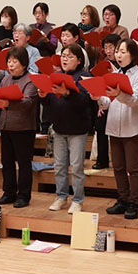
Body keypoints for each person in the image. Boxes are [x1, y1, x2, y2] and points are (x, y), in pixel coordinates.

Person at [100, 39, 138, 218]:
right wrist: (98, 97)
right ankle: (122, 199)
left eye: (123, 51)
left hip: (133, 128)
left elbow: (136, 100)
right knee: (118, 167)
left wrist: (119, 94)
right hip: (114, 126)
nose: (118, 55)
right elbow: (108, 102)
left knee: (133, 168)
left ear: (133, 54)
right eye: (117, 51)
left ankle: (134, 203)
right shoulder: (113, 74)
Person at [41, 45, 94, 213]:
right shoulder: (56, 76)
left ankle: (78, 199)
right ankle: (61, 196)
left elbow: (86, 101)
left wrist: (67, 93)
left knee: (77, 167)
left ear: (79, 60)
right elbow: (50, 102)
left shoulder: (85, 76)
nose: (65, 59)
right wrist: (43, 96)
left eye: (70, 56)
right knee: (59, 166)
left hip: (78, 129)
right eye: (63, 55)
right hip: (59, 128)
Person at [0, 47, 38, 208]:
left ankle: (23, 196)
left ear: (24, 63)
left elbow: (28, 102)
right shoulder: (5, 79)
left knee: (24, 163)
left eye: (14, 61)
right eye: (9, 61)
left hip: (24, 128)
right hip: (6, 125)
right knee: (7, 162)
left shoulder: (31, 80)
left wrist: (9, 103)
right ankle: (9, 193)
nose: (10, 65)